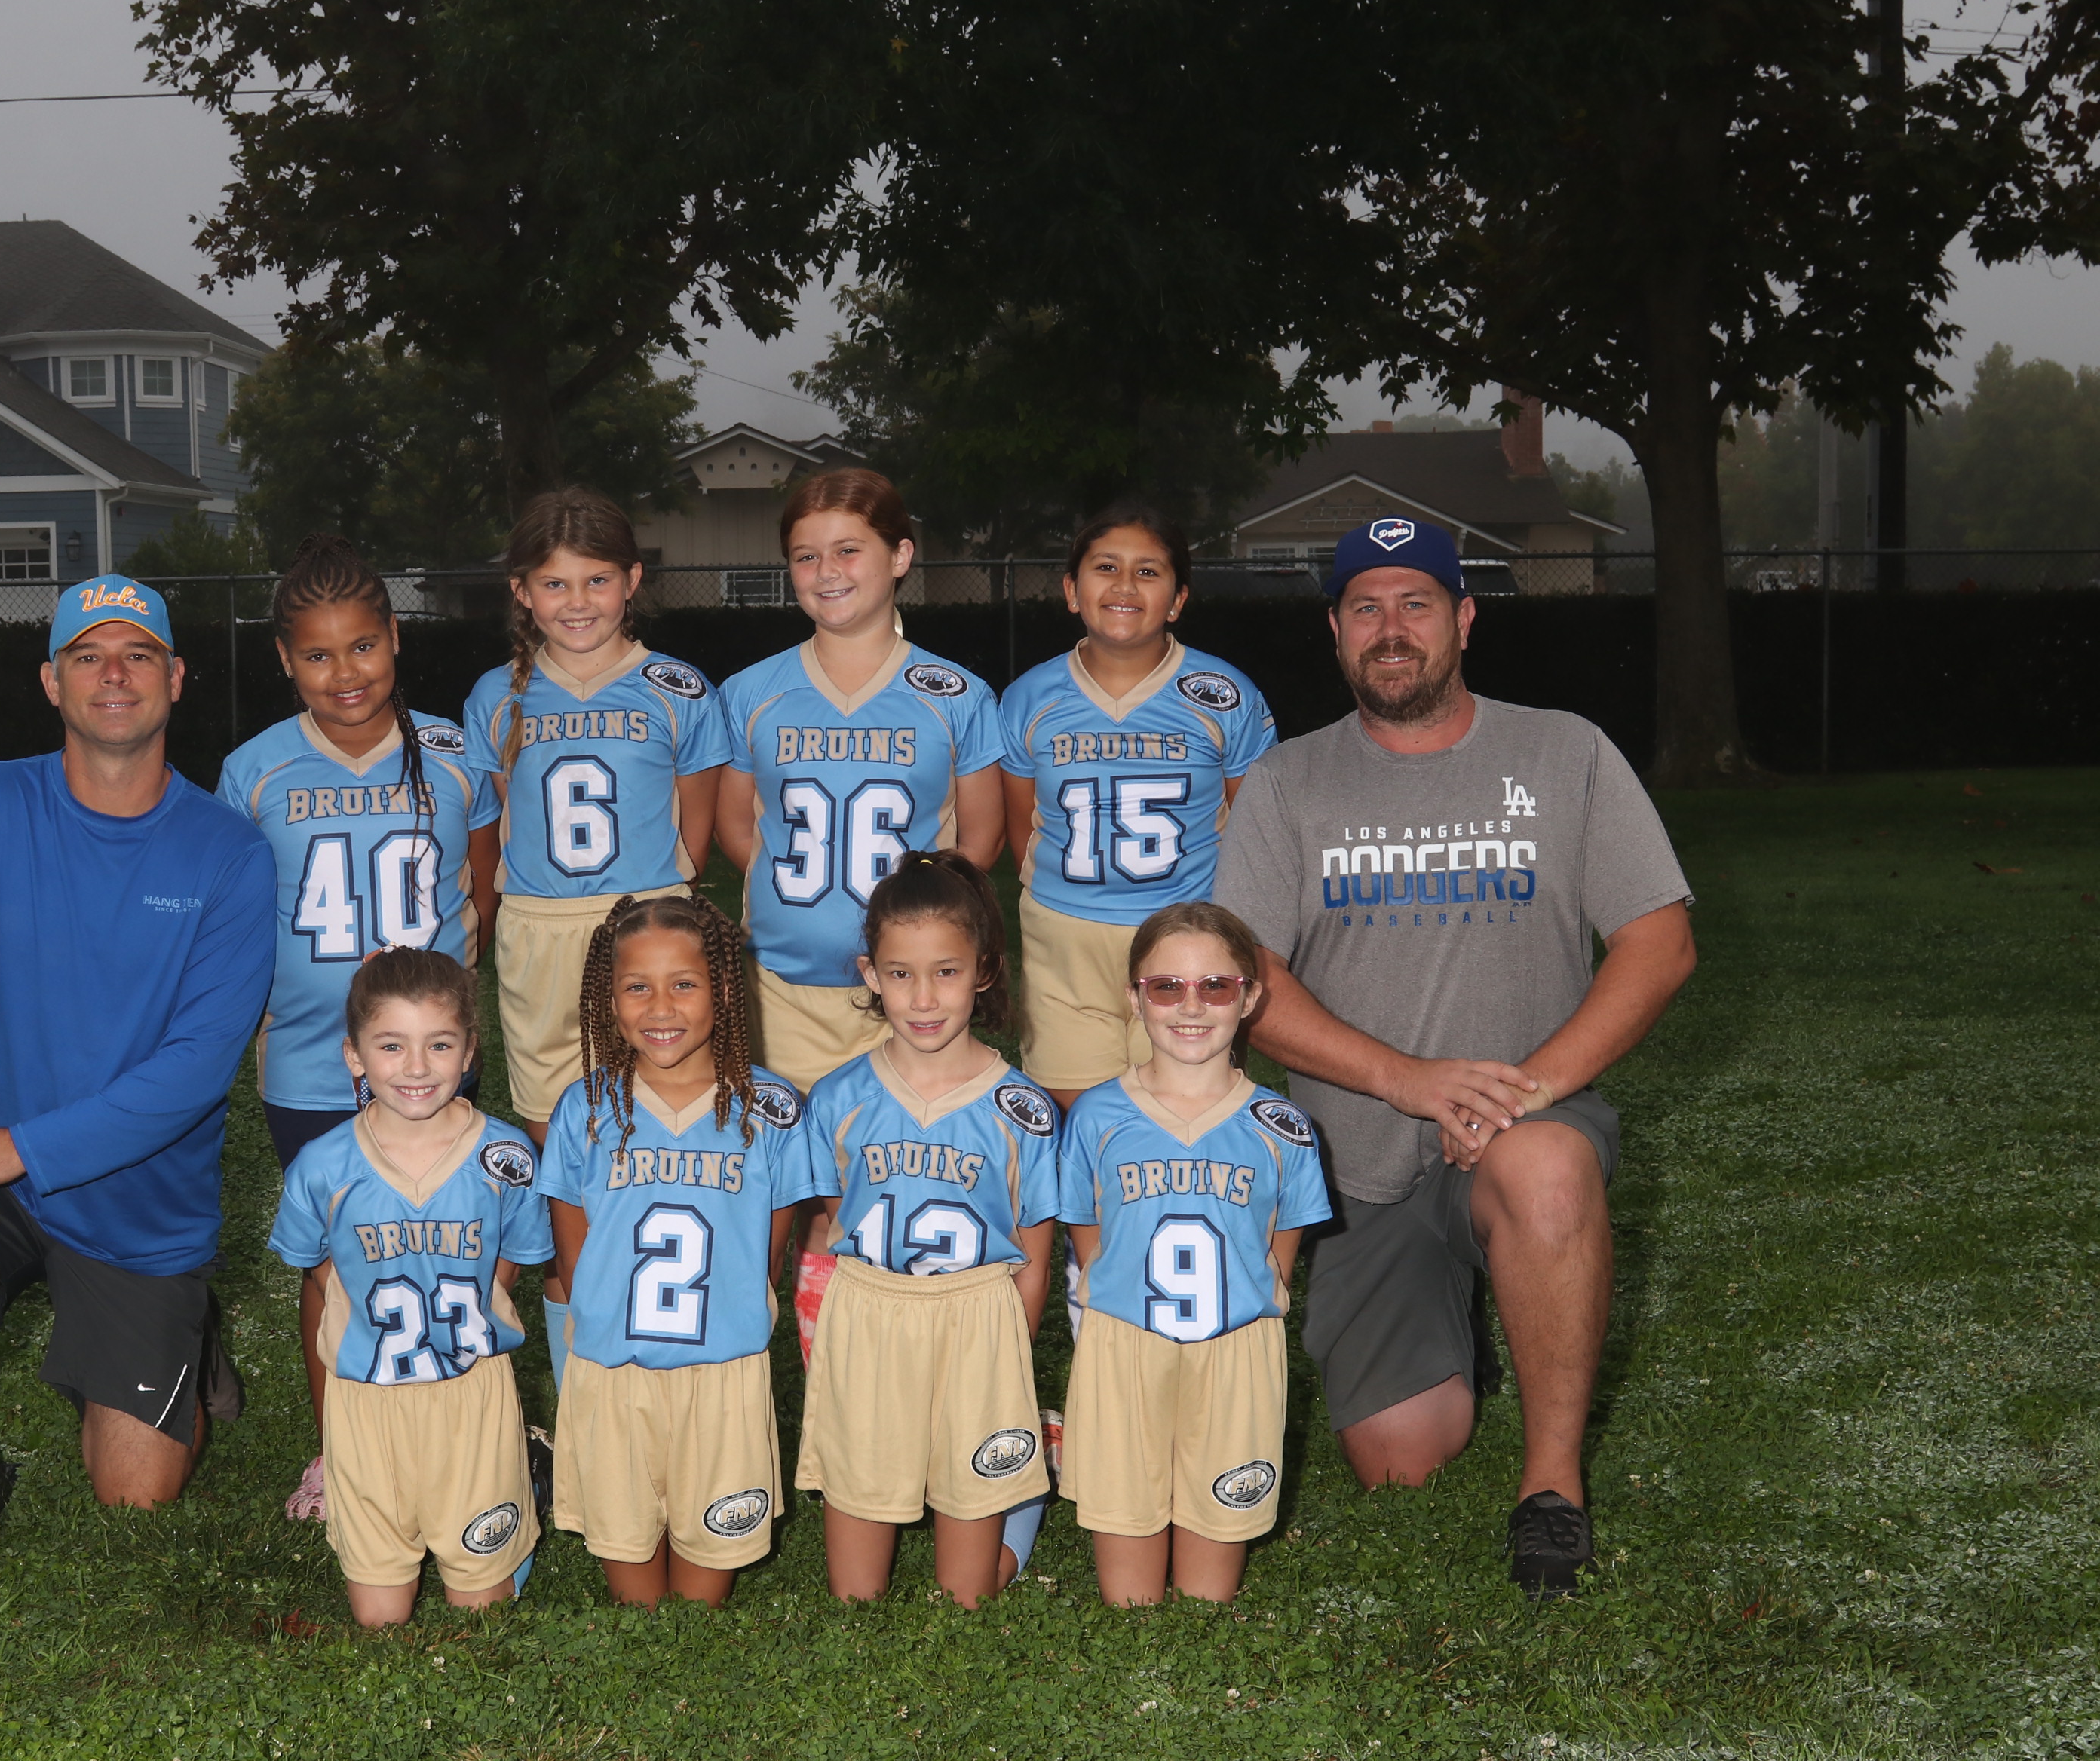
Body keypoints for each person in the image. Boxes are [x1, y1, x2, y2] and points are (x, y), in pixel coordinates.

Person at [1209, 516, 1696, 1599]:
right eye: (1367, 608)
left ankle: (1552, 1489)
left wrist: (1525, 1091)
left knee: (1547, 1168)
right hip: (1359, 1162)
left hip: (1522, 1123)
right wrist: (1412, 1082)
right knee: (1401, 1462)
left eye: (1416, 604)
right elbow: (1246, 982)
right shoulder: (1287, 783)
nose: (1393, 629)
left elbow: (1659, 945)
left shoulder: (1565, 753)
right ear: (1336, 630)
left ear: (1465, 620)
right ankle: (1461, 1317)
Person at [0, 574, 274, 1559]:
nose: (114, 675)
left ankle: (185, 1330)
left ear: (176, 677)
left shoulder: (228, 854)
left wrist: (14, 1146)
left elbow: (196, 1070)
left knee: (134, 1500)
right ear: (52, 681)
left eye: (138, 654)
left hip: (138, 1206)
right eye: (89, 656)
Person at [216, 536, 493, 1523]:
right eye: (319, 654)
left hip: (430, 1059)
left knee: (445, 1247)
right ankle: (341, 1451)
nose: (346, 672)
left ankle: (455, 1439)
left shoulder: (454, 752)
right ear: (285, 660)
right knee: (339, 1261)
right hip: (309, 1061)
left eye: (363, 645)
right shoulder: (254, 770)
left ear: (395, 639)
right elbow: (234, 913)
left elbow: (482, 888)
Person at [538, 894, 820, 1608]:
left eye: (683, 984)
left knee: (700, 1604)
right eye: (637, 987)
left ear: (722, 990)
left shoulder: (770, 1109)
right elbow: (575, 1263)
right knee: (636, 1601)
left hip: (723, 1376)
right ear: (608, 999)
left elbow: (765, 1260)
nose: (660, 1008)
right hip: (612, 1378)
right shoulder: (585, 1108)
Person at [796, 851, 1059, 1608]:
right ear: (870, 974)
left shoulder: (1021, 1109)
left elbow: (1034, 1258)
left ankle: (1025, 1491)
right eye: (900, 973)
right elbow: (829, 1225)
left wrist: (1007, 1365)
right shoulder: (839, 1096)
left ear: (984, 970)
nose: (923, 997)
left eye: (946, 972)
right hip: (869, 1318)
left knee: (968, 1594)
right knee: (855, 1595)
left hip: (978, 1322)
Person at [266, 948, 553, 1626]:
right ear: (354, 1055)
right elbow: (317, 1264)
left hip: (472, 1392)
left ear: (470, 1051)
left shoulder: (505, 1157)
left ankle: (522, 1478)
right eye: (391, 1045)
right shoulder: (323, 1166)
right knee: (379, 1618)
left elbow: (511, 1261)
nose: (417, 1067)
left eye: (440, 1044)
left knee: (480, 1609)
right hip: (366, 1403)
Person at [1056, 902, 1332, 1606]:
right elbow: (1091, 1241)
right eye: (1166, 986)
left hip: (1236, 1351)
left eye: (1215, 986)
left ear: (1250, 996)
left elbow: (1276, 1261)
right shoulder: (1096, 1116)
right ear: (1134, 997)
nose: (1191, 1006)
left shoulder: (1282, 1127)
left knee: (1209, 1600)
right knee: (1130, 1602)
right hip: (1125, 1348)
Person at [716, 468, 1007, 1104]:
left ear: (900, 556)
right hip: (781, 990)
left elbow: (982, 840)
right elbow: (737, 830)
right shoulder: (750, 692)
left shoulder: (956, 696)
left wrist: (916, 923)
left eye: (848, 550)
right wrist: (802, 901)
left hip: (909, 992)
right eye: (806, 556)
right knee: (789, 1155)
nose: (827, 571)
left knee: (893, 1153)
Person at [464, 488, 729, 1144]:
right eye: (554, 583)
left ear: (631, 580)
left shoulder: (678, 690)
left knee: (664, 1114)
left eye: (598, 581)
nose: (577, 601)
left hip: (649, 923)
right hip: (540, 929)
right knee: (554, 1126)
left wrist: (661, 912)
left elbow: (693, 837)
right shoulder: (496, 695)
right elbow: (511, 816)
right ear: (522, 591)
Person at [1001, 502, 1276, 1109]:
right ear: (1071, 590)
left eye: (1148, 572)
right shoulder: (1029, 698)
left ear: (1177, 600)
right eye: (1106, 567)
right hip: (1065, 939)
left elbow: (1257, 836)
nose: (1125, 585)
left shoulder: (1224, 696)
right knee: (1082, 1122)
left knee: (1184, 1116)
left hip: (1186, 937)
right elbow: (1025, 831)